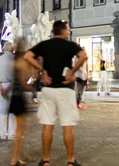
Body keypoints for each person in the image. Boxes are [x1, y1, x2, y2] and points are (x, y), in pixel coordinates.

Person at [24, 20, 88, 166]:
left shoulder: (45, 44)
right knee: (67, 126)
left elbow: (27, 56)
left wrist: (42, 71)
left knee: (47, 124)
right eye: (68, 29)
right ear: (64, 30)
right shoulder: (70, 45)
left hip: (48, 88)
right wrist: (72, 71)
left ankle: (46, 160)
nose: (69, 32)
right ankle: (71, 161)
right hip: (66, 89)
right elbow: (83, 56)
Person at [9, 38, 31, 166]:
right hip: (19, 97)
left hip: (14, 96)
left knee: (20, 129)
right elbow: (23, 82)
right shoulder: (22, 61)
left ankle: (22, 156)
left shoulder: (14, 60)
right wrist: (31, 85)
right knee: (19, 131)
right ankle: (14, 159)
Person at [0, 42, 16, 140]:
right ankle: (11, 134)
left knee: (2, 111)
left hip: (1, 85)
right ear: (12, 50)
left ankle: (3, 133)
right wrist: (9, 88)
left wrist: (1, 88)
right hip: (12, 86)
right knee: (12, 112)